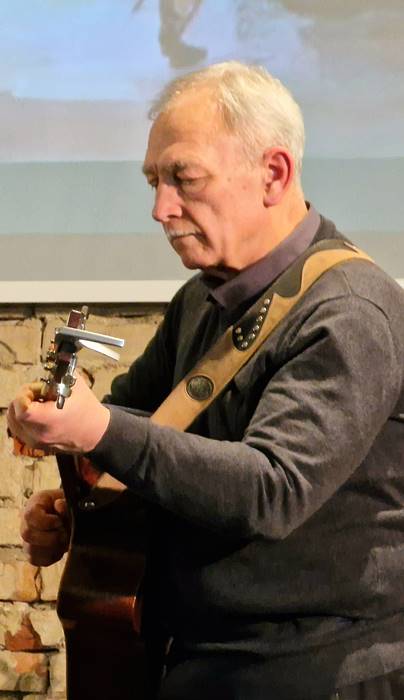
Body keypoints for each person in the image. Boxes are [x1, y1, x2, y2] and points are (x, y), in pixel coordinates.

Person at [8, 61, 404, 700]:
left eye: (184, 179)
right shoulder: (201, 299)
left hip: (313, 671)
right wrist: (80, 503)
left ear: (273, 174)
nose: (161, 209)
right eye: (154, 182)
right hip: (199, 659)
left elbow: (270, 490)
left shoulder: (350, 312)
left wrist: (98, 430)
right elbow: (136, 429)